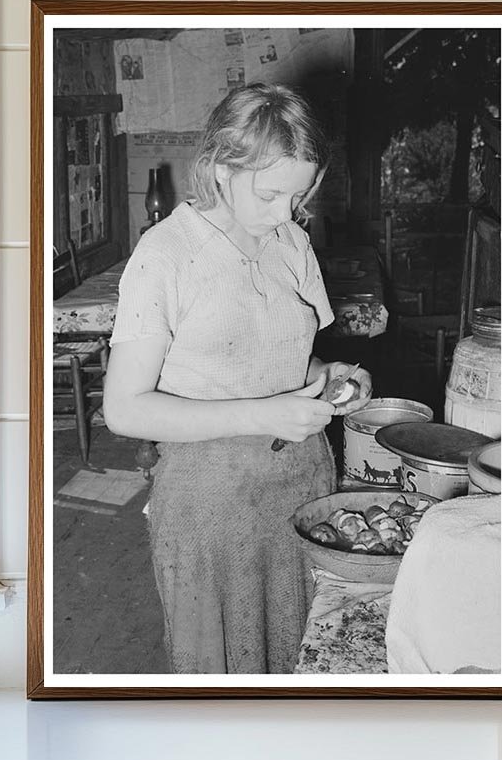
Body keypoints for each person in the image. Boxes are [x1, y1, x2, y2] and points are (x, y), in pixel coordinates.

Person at [103, 82, 373, 674]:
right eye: (271, 193)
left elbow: (288, 357)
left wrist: (330, 377)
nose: (285, 214)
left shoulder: (293, 243)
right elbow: (125, 409)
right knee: (219, 670)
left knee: (302, 653)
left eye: (298, 195)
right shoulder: (167, 254)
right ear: (223, 165)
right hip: (208, 500)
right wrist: (262, 413)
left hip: (303, 482)